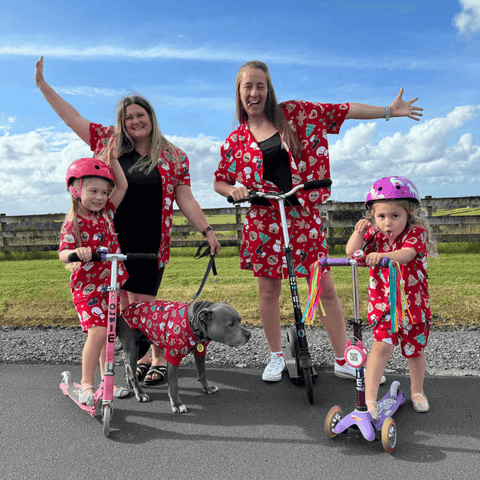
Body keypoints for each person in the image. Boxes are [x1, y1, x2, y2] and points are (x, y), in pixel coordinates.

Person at [213, 60, 423, 382]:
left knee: (323, 288)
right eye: (247, 87)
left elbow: (342, 110)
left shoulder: (296, 114)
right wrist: (234, 190)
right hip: (263, 221)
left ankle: (343, 358)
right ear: (239, 93)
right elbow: (220, 181)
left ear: (269, 90)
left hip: (303, 216)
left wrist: (388, 111)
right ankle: (275, 357)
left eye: (260, 86)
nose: (254, 93)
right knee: (268, 290)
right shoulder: (235, 141)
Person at [35, 56, 221, 385]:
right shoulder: (108, 143)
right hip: (110, 243)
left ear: (150, 117)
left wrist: (206, 230)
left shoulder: (175, 155)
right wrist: (43, 86)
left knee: (146, 307)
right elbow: (72, 118)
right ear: (121, 122)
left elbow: (185, 197)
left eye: (140, 114)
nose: (135, 121)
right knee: (120, 309)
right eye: (128, 117)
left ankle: (158, 358)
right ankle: (136, 357)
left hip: (152, 241)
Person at [346, 176, 437, 419]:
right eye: (381, 216)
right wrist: (359, 232)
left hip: (412, 307)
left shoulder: (415, 233)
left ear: (408, 214)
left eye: (395, 216)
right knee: (381, 348)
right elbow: (351, 252)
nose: (388, 223)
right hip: (383, 305)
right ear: (373, 217)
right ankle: (369, 400)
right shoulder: (373, 235)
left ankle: (417, 391)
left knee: (414, 350)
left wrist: (380, 256)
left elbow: (407, 254)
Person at [59, 153, 130, 405]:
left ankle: (107, 380)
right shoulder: (73, 223)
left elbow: (122, 186)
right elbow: (63, 254)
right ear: (76, 189)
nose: (100, 197)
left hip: (111, 283)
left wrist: (112, 160)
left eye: (103, 192)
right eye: (93, 191)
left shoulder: (107, 212)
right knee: (99, 332)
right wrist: (77, 252)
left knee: (108, 332)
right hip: (86, 288)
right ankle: (87, 384)